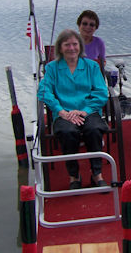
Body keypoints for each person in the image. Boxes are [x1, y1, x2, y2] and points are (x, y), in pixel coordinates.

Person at [37, 29, 109, 190]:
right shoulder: (52, 68)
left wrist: (84, 110)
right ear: (60, 48)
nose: (71, 48)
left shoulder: (91, 66)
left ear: (80, 46)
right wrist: (61, 111)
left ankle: (97, 174)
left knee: (94, 128)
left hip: (88, 111)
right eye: (67, 44)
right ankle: (74, 175)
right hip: (64, 113)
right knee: (68, 132)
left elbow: (101, 92)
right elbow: (43, 91)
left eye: (75, 44)